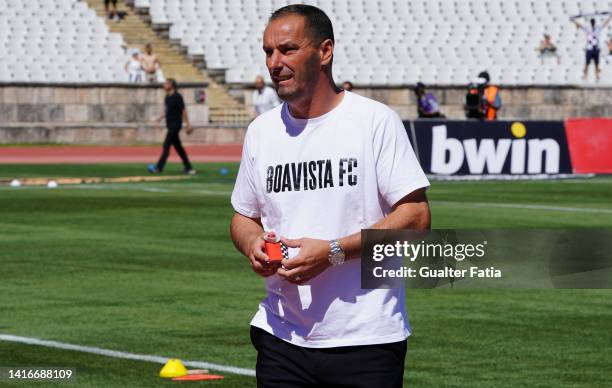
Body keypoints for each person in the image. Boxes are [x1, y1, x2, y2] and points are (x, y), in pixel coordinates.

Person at [230, 5, 430, 387]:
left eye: (287, 49)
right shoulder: (261, 131)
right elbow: (242, 216)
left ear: (325, 52)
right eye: (268, 51)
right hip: (280, 336)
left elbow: (417, 218)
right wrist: (252, 242)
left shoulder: (373, 121)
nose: (274, 62)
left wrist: (333, 251)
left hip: (366, 340)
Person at [148, 79, 196, 175]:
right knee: (178, 147)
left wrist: (188, 124)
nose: (164, 85)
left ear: (172, 85)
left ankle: (158, 168)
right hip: (169, 124)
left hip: (176, 124)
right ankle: (189, 168)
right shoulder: (167, 97)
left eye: (166, 83)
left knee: (166, 145)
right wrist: (158, 118)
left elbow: (183, 111)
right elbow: (166, 111)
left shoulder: (177, 97)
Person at [572, 15, 612, 81]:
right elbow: (580, 26)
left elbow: (604, 24)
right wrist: (573, 21)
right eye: (592, 22)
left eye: (593, 22)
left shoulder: (597, 29)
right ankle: (585, 76)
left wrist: (610, 18)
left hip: (596, 49)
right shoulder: (587, 29)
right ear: (591, 23)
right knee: (587, 64)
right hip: (589, 49)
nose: (593, 23)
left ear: (594, 22)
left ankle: (597, 76)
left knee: (597, 64)